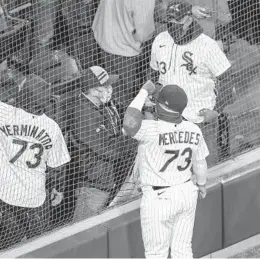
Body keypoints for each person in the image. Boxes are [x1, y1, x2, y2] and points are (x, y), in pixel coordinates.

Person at [123, 80, 209, 258]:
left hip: (159, 199)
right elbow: (200, 163)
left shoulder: (149, 129)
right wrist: (201, 184)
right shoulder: (194, 129)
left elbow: (129, 122)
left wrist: (144, 91)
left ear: (160, 105)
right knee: (183, 250)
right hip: (187, 192)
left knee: (156, 254)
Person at [149, 0, 232, 166]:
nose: (173, 26)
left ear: (189, 19)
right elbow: (153, 75)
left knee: (207, 169)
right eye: (170, 22)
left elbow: (228, 82)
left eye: (177, 22)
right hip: (169, 121)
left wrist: (215, 111)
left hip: (199, 120)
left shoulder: (207, 45)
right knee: (176, 172)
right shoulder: (160, 40)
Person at [0, 74, 70, 249]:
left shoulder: (7, 114)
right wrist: (58, 188)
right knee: (39, 247)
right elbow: (58, 165)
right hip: (36, 198)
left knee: (8, 247)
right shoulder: (51, 126)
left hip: (7, 195)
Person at [61, 65, 135, 220]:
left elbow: (122, 117)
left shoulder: (106, 104)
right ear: (93, 90)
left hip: (110, 180)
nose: (110, 88)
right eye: (106, 86)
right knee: (82, 232)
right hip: (93, 186)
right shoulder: (83, 114)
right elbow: (108, 148)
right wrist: (134, 139)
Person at [92, 0, 156, 104]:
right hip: (126, 53)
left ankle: (113, 114)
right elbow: (144, 33)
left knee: (108, 93)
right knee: (124, 99)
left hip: (103, 43)